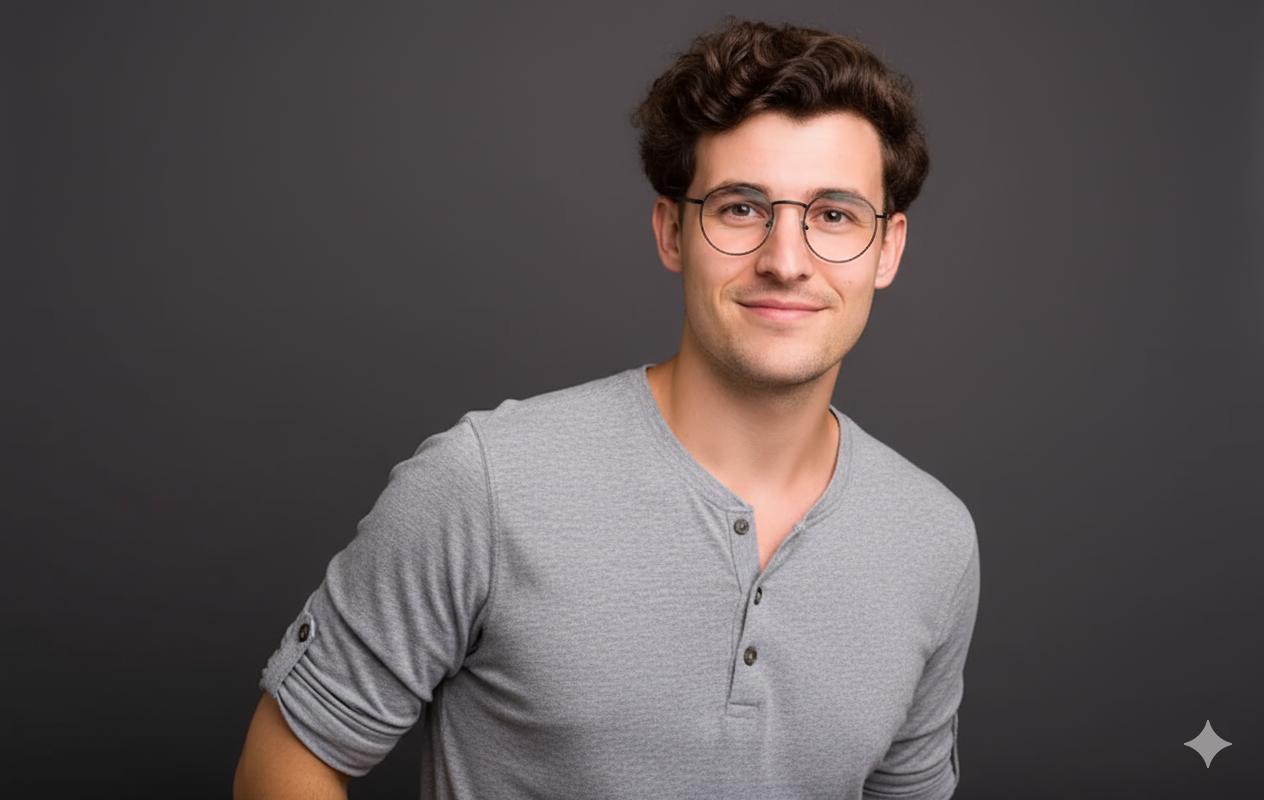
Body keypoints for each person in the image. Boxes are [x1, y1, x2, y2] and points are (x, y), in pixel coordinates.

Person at [234, 19, 979, 800]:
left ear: (886, 249)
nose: (785, 260)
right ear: (672, 232)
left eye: (834, 215)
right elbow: (284, 763)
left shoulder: (934, 540)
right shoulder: (485, 485)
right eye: (739, 208)